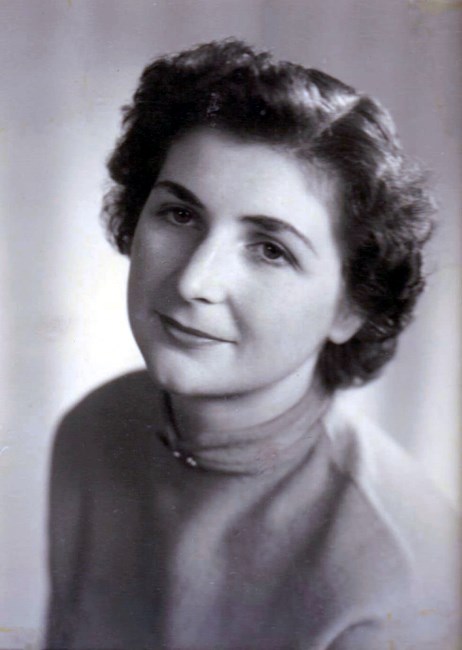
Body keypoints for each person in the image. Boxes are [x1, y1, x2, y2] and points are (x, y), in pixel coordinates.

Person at [45, 39, 459, 649]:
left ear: (351, 305)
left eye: (270, 249)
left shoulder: (397, 570)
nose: (195, 281)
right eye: (180, 215)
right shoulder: (95, 431)